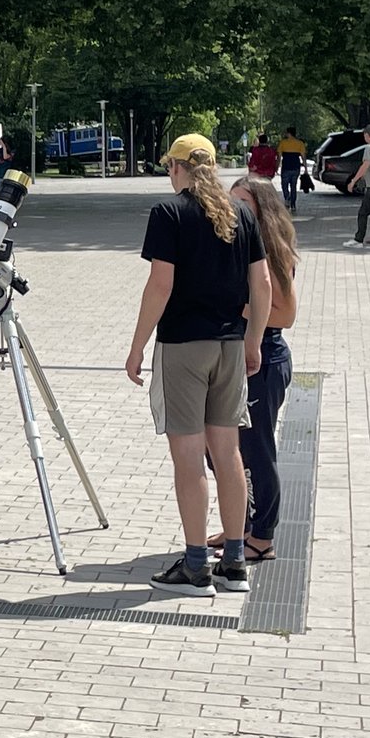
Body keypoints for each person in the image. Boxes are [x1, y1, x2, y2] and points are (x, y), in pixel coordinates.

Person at [125, 134, 271, 597]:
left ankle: (194, 566)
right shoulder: (240, 213)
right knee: (228, 454)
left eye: (170, 165)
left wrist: (137, 346)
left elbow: (160, 285)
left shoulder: (169, 213)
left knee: (188, 457)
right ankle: (233, 561)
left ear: (178, 168)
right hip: (229, 344)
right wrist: (254, 341)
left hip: (184, 345)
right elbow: (262, 283)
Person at [223, 176, 298, 564]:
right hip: (233, 356)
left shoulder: (272, 250)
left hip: (264, 359)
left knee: (257, 450)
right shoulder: (238, 243)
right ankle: (240, 523)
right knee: (222, 448)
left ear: (261, 208)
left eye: (242, 203)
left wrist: (237, 309)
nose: (234, 210)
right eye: (230, 202)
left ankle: (263, 535)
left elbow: (285, 315)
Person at [277, 127, 308, 211]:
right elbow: (303, 157)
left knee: (284, 185)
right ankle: (293, 204)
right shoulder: (300, 143)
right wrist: (305, 168)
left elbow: (279, 156)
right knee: (293, 186)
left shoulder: (283, 143)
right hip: (295, 167)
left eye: (286, 133)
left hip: (286, 167)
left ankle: (287, 198)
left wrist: (277, 167)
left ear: (289, 133)